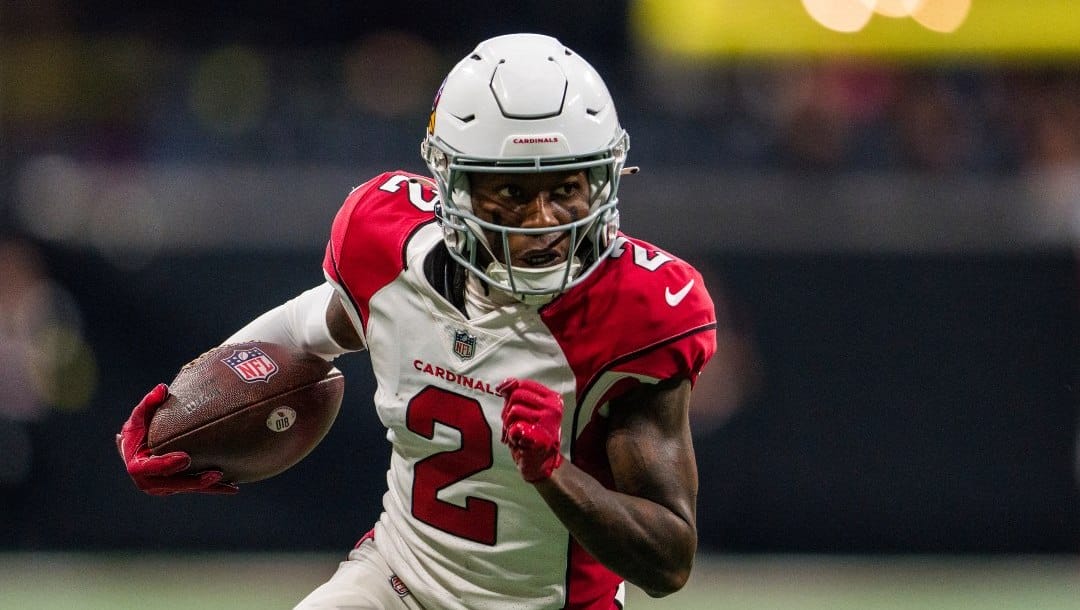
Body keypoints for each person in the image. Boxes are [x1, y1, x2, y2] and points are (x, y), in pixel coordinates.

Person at [116, 33, 717, 609]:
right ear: (452, 188)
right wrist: (184, 405)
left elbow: (667, 562)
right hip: (399, 582)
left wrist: (554, 473)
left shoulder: (638, 313)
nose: (542, 221)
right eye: (509, 193)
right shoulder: (393, 250)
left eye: (567, 188)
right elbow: (310, 326)